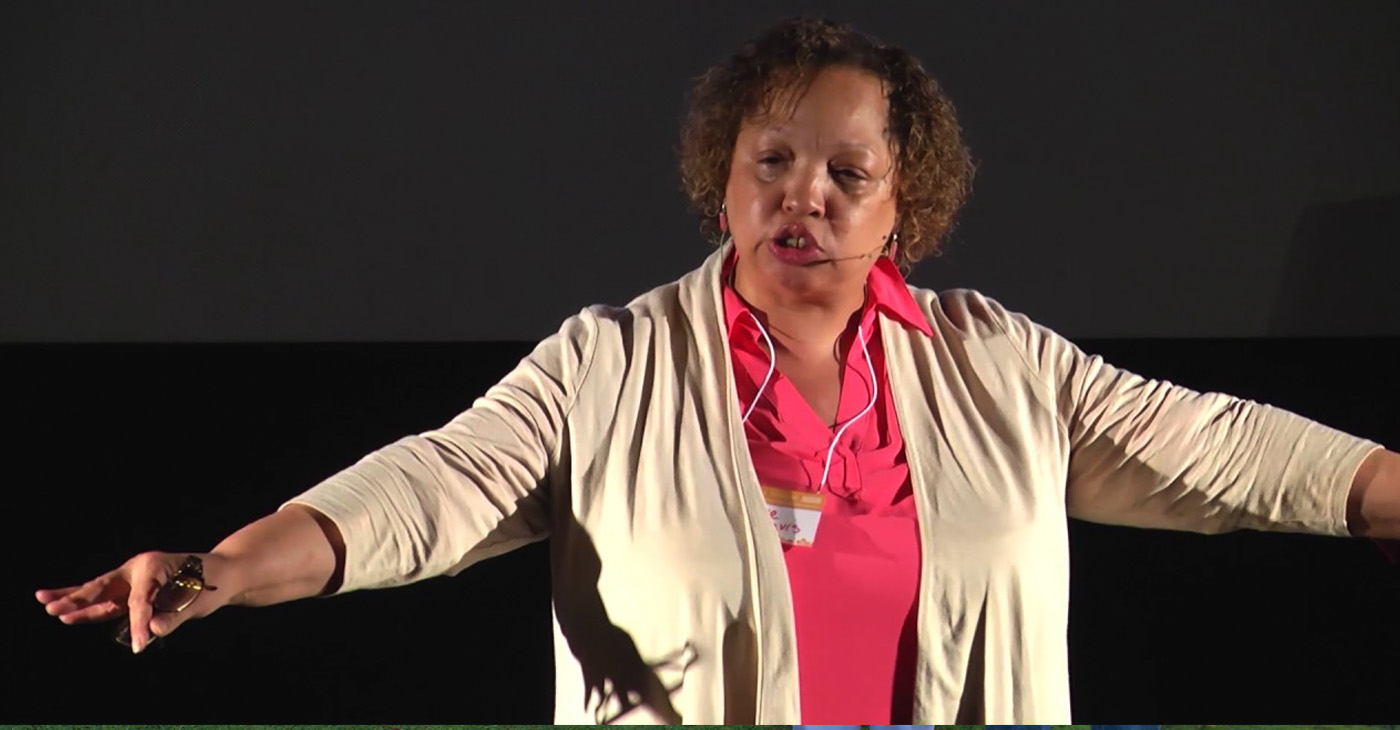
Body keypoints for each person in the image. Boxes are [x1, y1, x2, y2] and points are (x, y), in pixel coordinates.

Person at [35, 15, 1399, 726]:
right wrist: (224, 567)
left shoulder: (1001, 364)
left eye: (848, 171)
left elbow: (1223, 449)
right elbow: (428, 489)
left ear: (903, 206)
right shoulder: (612, 363)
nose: (804, 194)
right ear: (723, 181)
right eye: (772, 162)